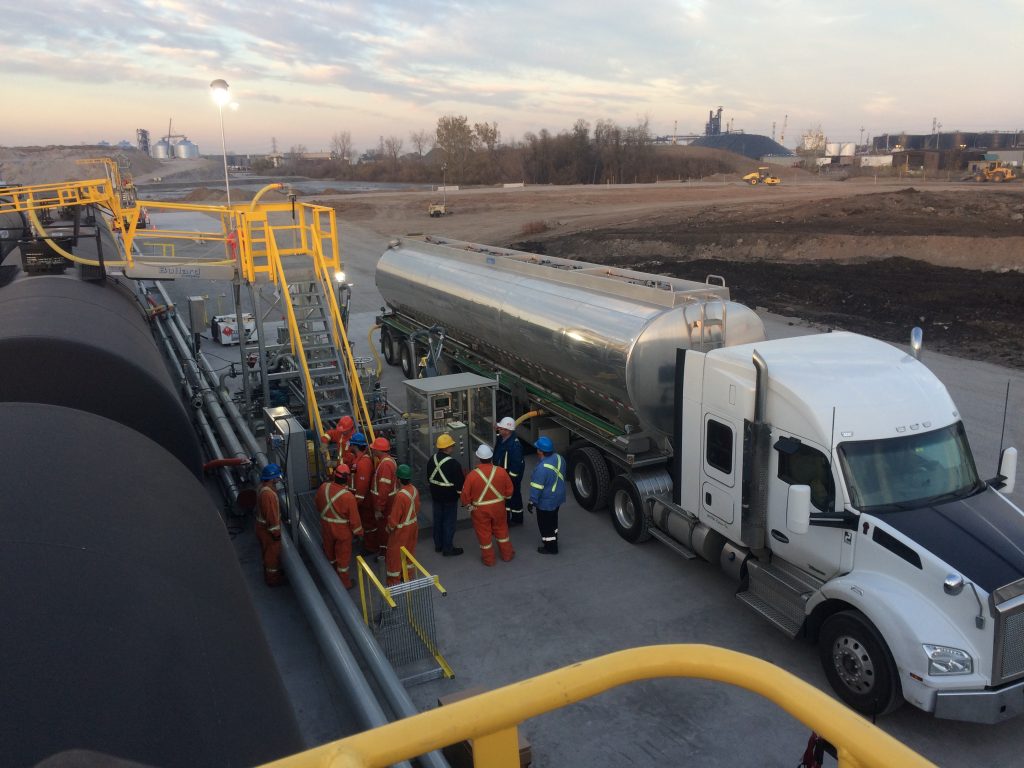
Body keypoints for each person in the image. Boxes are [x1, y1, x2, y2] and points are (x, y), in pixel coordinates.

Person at [460, 444, 514, 566]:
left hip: (480, 509)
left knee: (484, 535)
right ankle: (507, 555)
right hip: (499, 507)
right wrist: (503, 500)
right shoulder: (501, 471)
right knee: (502, 531)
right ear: (491, 457)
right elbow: (509, 490)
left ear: (479, 458)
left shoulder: (472, 476)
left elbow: (465, 496)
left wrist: (469, 506)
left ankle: (489, 560)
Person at [315, 464, 363, 588]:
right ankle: (344, 583)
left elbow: (317, 505)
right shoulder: (348, 497)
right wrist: (359, 533)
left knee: (329, 553)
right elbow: (354, 520)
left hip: (326, 526)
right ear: (347, 479)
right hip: (342, 531)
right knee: (343, 558)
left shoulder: (323, 487)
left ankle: (330, 579)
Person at [529, 436, 566, 554]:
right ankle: (554, 539)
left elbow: (536, 489)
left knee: (545, 526)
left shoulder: (541, 469)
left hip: (546, 502)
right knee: (553, 521)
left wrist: (531, 502)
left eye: (537, 449)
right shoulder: (560, 458)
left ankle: (550, 547)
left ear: (540, 451)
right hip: (558, 498)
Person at [429, 433, 465, 556]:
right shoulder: (454, 464)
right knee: (449, 522)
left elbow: (429, 477)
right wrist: (463, 499)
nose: (453, 448)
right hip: (450, 498)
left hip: (436, 497)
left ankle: (438, 545)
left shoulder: (431, 460)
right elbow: (460, 485)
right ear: (447, 448)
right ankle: (448, 548)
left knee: (438, 520)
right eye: (451, 446)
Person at [385, 464, 420, 586]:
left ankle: (394, 581)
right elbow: (417, 508)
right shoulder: (414, 490)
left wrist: (389, 528)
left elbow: (394, 518)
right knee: (409, 551)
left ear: (398, 479)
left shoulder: (400, 495)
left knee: (394, 555)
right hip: (413, 525)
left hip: (401, 530)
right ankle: (407, 576)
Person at [492, 416, 526, 527]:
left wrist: (510, 479)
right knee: (513, 495)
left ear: (507, 431)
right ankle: (516, 517)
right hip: (504, 474)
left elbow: (516, 465)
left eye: (501, 428)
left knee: (511, 496)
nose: (499, 429)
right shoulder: (504, 438)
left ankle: (513, 519)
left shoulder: (514, 446)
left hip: (510, 477)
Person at [255, 463, 285, 585]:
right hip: (267, 531)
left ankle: (273, 573)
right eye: (277, 477)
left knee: (267, 553)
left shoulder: (264, 487)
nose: (279, 479)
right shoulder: (268, 494)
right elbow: (271, 516)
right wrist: (276, 533)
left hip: (262, 528)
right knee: (271, 556)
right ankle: (273, 579)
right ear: (272, 478)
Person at [370, 435, 398, 557]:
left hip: (385, 504)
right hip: (388, 502)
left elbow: (384, 488)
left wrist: (379, 508)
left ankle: (386, 553)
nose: (372, 450)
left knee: (384, 529)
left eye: (374, 448)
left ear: (379, 450)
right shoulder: (387, 461)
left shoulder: (385, 465)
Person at [349, 432, 375, 551]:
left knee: (368, 525)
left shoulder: (364, 463)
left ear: (355, 446)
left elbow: (362, 488)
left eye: (351, 444)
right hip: (359, 501)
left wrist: (355, 504)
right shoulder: (357, 459)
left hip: (364, 502)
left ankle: (370, 547)